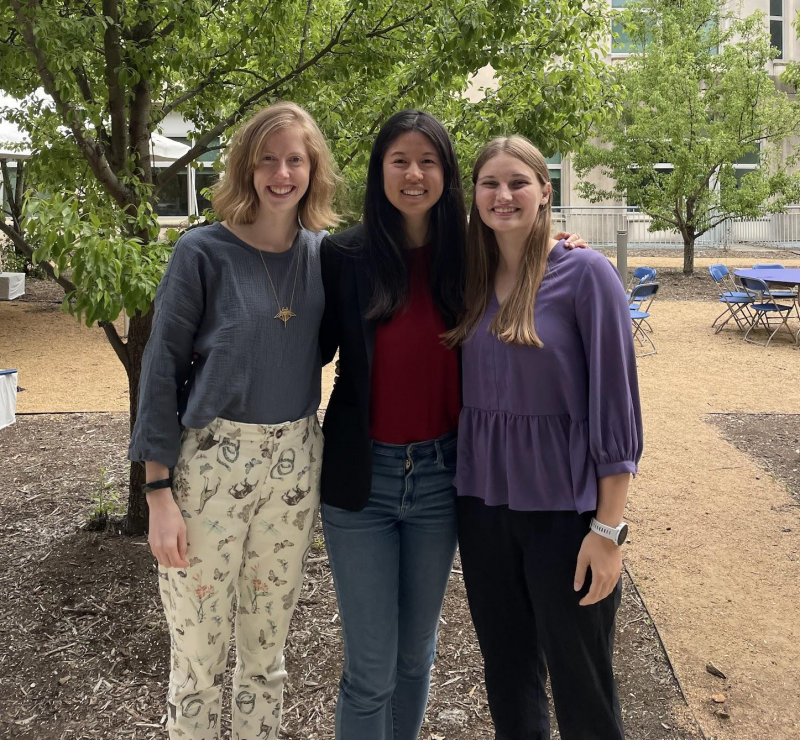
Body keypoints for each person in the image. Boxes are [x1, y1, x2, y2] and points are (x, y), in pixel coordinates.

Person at [318, 111, 587, 740]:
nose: (414, 174)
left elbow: (531, 254)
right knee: (371, 668)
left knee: (416, 658)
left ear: (447, 174)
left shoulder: (471, 253)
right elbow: (307, 347)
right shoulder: (343, 255)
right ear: (378, 169)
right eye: (399, 161)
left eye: (428, 161)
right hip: (364, 483)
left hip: (444, 478)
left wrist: (564, 244)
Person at [128, 101, 339, 740]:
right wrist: (158, 491)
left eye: (294, 159)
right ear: (245, 167)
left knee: (265, 655)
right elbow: (160, 368)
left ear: (313, 169)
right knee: (197, 658)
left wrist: (542, 245)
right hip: (207, 470)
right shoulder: (202, 252)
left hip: (295, 462)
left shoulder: (325, 257)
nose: (281, 173)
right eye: (267, 159)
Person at [445, 136, 643, 740]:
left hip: (567, 515)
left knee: (582, 686)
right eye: (489, 184)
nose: (503, 195)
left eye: (518, 183)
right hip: (482, 509)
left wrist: (607, 533)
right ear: (473, 195)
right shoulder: (466, 278)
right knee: (508, 677)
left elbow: (616, 410)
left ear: (545, 191)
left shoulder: (586, 274)